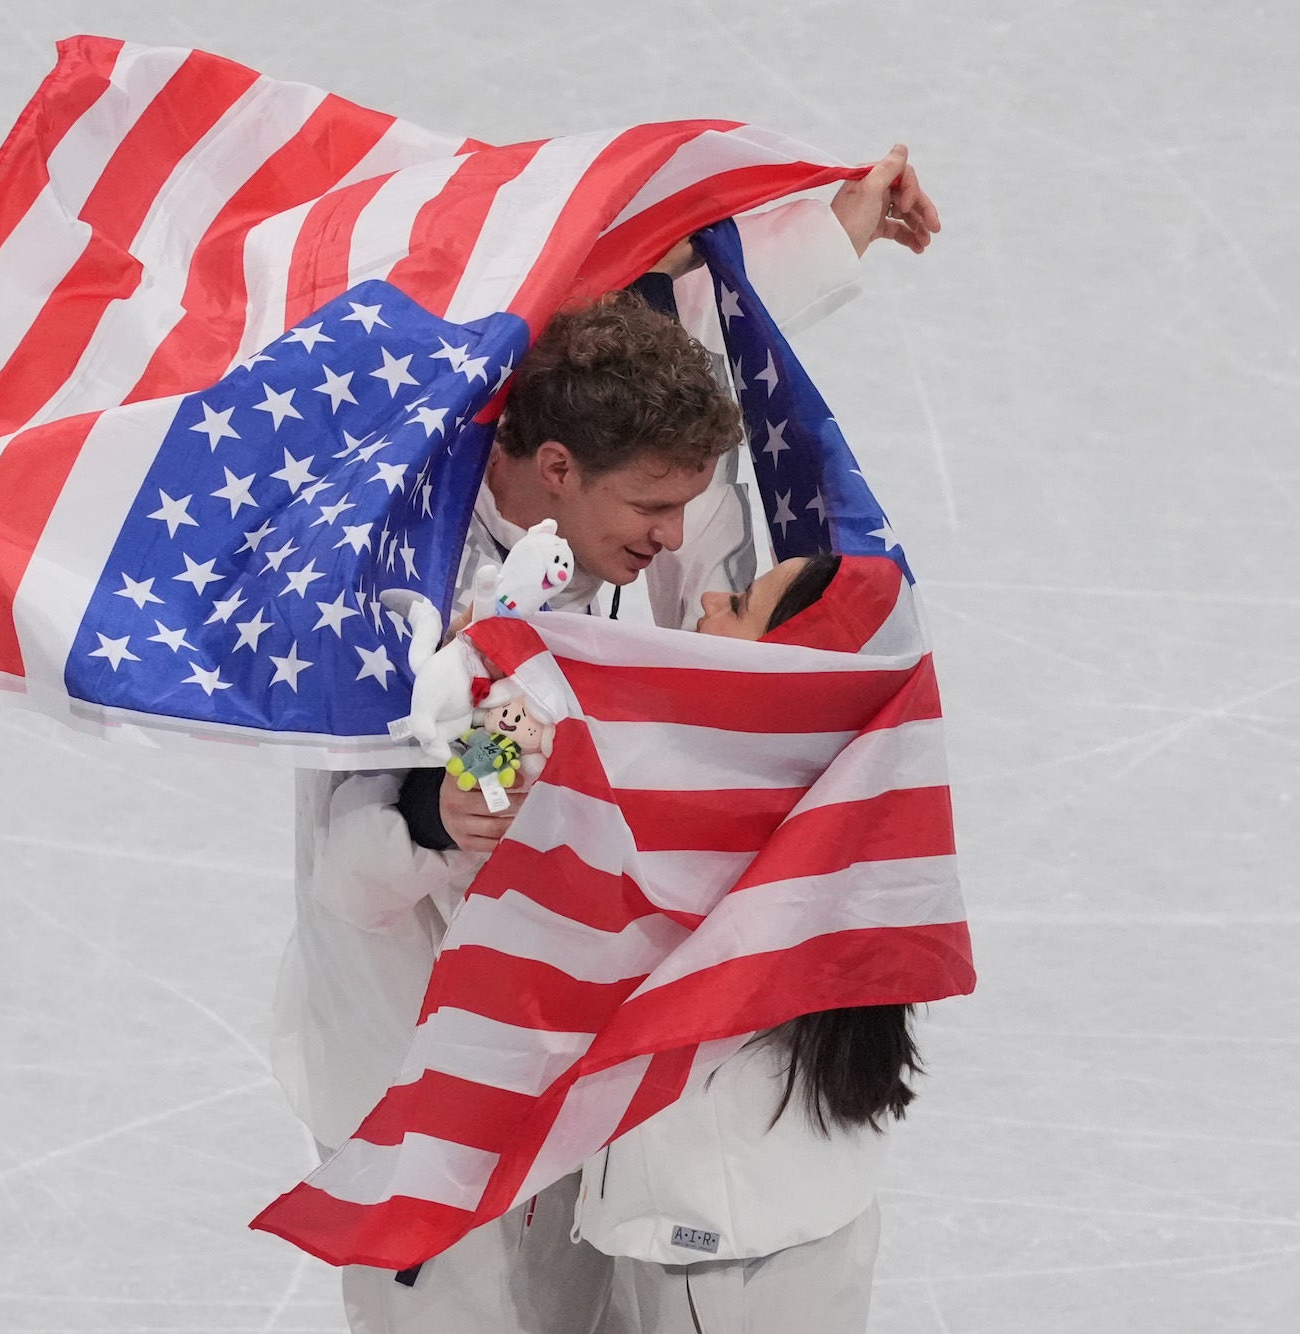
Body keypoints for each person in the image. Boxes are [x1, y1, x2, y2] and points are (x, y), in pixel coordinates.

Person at [276, 149, 942, 1334]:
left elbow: (657, 334)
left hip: (569, 1064)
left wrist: (823, 242)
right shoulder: (406, 604)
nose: (679, 540)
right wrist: (435, 817)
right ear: (554, 470)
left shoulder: (603, 500)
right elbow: (345, 874)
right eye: (651, 507)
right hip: (427, 1082)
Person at [574, 554, 922, 1334]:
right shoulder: (832, 797)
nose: (707, 595)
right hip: (758, 1228)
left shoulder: (727, 817)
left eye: (738, 602)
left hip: (723, 1252)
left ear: (781, 671)